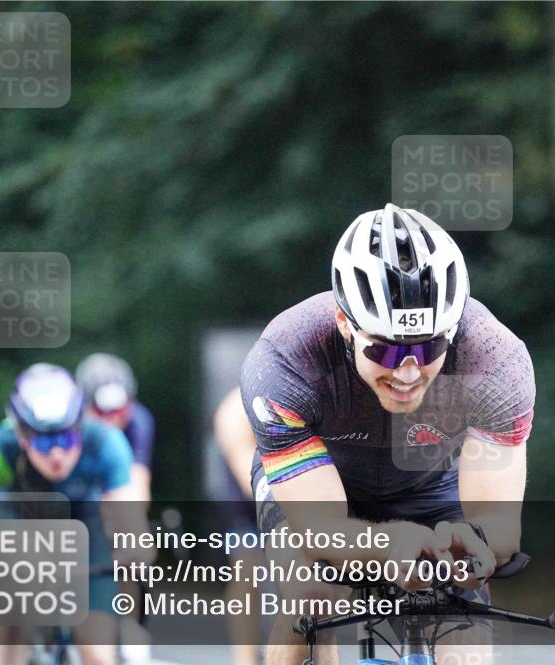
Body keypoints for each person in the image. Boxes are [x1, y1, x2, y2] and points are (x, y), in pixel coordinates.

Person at [241, 204, 534, 665]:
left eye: (429, 345)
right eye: (384, 349)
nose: (408, 371)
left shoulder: (495, 361)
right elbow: (319, 531)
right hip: (322, 481)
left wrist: (475, 542)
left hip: (429, 484)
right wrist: (386, 542)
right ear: (345, 325)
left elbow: (500, 525)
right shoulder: (286, 361)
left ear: (453, 331)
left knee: (464, 630)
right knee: (311, 597)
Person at [0, 363, 150, 665]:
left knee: (98, 652)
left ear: (80, 428)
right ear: (22, 436)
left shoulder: (106, 442)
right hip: (17, 523)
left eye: (66, 439)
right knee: (11, 631)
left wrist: (134, 554)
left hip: (84, 524)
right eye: (45, 441)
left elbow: (132, 525)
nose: (57, 455)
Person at [214, 387, 267, 665]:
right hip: (246, 504)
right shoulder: (234, 407)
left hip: (293, 489)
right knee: (245, 570)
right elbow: (248, 475)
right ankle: (244, 658)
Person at [76, 353, 155, 502]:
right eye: (101, 412)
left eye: (118, 410)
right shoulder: (70, 427)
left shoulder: (138, 421)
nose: (112, 419)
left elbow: (138, 481)